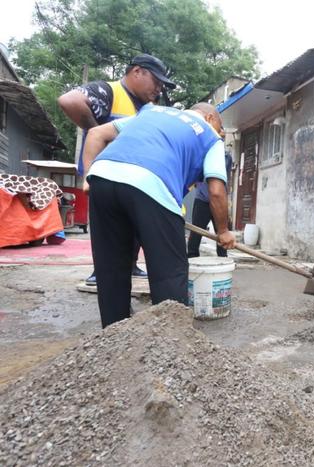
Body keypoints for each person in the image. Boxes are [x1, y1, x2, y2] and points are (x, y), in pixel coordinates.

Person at [81, 102, 236, 328]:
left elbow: (96, 133)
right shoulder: (210, 136)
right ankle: (171, 342)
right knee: (170, 273)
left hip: (102, 177)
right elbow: (216, 191)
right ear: (211, 118)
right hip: (152, 184)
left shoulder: (150, 112)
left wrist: (87, 174)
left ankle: (114, 338)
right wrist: (223, 231)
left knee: (111, 268)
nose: (220, 133)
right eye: (221, 128)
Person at [57, 53, 177, 286]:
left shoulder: (147, 108)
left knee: (134, 226)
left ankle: (130, 265)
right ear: (137, 72)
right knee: (109, 228)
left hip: (134, 179)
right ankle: (101, 272)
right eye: (157, 81)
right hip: (104, 176)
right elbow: (69, 101)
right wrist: (99, 133)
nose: (159, 89)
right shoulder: (108, 91)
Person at [187, 151, 233, 258]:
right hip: (202, 200)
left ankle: (223, 261)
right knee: (195, 234)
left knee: (222, 235)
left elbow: (219, 176)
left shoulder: (225, 157)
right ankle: (192, 260)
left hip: (220, 201)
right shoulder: (199, 154)